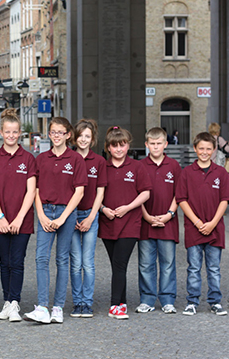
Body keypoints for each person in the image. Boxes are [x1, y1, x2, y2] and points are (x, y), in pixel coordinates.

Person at [24, 117, 86, 324]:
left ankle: (58, 307)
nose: (57, 136)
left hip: (66, 214)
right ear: (49, 134)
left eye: (61, 132)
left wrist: (62, 218)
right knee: (41, 259)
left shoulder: (76, 159)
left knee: (62, 260)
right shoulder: (41, 159)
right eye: (53, 132)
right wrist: (40, 215)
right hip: (45, 211)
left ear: (68, 135)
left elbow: (79, 192)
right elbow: (36, 190)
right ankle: (42, 306)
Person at [0, 108, 37, 322]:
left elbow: (31, 191)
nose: (11, 136)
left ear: (20, 133)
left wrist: (18, 218)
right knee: (4, 262)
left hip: (21, 220)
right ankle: (6, 302)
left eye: (15, 132)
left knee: (17, 261)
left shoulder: (28, 158)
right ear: (1, 132)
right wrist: (0, 217)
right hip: (1, 220)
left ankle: (15, 302)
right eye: (7, 132)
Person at [177, 132, 229, 316]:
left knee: (214, 268)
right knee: (193, 267)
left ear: (214, 150)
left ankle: (215, 301)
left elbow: (225, 200)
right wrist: (198, 222)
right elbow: (181, 200)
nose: (205, 152)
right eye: (201, 148)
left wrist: (212, 223)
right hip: (194, 228)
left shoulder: (221, 172)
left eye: (209, 149)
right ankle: (192, 301)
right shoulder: (186, 173)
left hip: (215, 229)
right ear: (195, 149)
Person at [99, 126, 151, 320]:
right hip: (108, 223)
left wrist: (128, 207)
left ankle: (115, 306)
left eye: (122, 145)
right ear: (108, 148)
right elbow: (95, 194)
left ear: (128, 145)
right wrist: (103, 209)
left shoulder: (137, 167)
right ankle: (121, 302)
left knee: (120, 263)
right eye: (115, 146)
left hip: (130, 223)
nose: (119, 149)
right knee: (115, 265)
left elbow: (145, 192)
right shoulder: (103, 167)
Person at [136, 127, 181, 315]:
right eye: (152, 144)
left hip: (167, 222)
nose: (155, 147)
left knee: (168, 262)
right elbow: (136, 194)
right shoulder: (139, 166)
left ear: (166, 144)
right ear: (146, 145)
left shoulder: (174, 166)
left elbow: (180, 194)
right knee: (145, 263)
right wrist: (146, 216)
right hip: (146, 222)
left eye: (159, 143)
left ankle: (167, 299)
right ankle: (147, 299)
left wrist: (169, 214)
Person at [70, 119, 106, 319]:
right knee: (75, 262)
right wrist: (70, 216)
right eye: (80, 135)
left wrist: (92, 216)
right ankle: (77, 302)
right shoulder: (69, 159)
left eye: (87, 136)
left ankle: (87, 302)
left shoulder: (99, 162)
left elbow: (100, 192)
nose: (83, 139)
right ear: (74, 137)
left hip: (90, 216)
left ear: (92, 140)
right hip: (71, 217)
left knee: (88, 262)